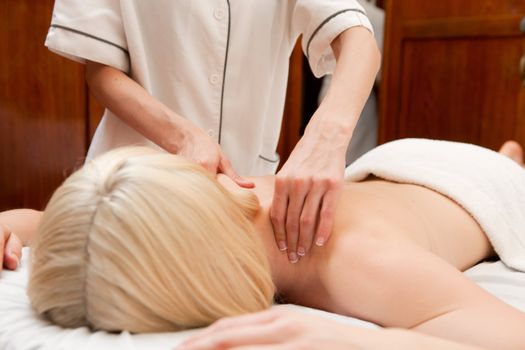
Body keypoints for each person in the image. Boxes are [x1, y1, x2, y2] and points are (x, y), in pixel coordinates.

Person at [2, 139, 525, 349]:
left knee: (506, 165)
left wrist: (356, 340)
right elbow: (69, 229)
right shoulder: (196, 211)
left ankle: (508, 157)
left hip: (476, 183)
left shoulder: (361, 262)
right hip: (396, 174)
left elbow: (510, 335)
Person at [44, 1, 381, 262]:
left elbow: (358, 40)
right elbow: (101, 72)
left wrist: (326, 137)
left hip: (242, 199)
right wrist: (182, 137)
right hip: (132, 188)